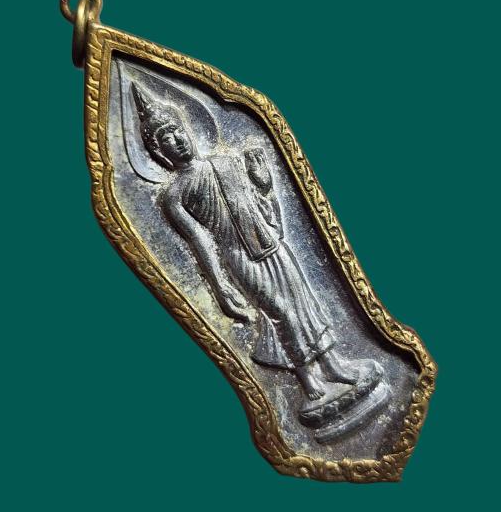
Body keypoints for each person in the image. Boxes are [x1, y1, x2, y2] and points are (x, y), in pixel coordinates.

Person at [132, 83, 363, 400]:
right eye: (166, 138)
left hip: (270, 244)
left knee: (303, 302)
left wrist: (265, 184)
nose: (177, 139)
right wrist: (219, 285)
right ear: (159, 151)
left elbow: (260, 204)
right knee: (280, 311)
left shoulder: (227, 161)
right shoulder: (175, 196)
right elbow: (200, 240)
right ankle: (306, 378)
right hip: (238, 256)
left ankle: (332, 364)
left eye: (177, 130)